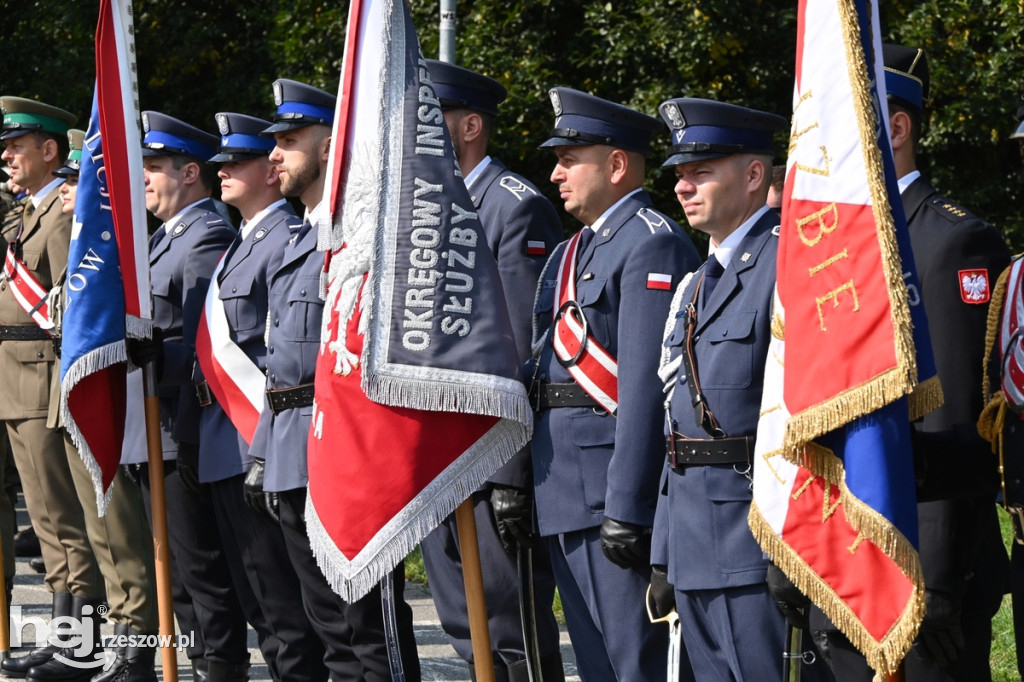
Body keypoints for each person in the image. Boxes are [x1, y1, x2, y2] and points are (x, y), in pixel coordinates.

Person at [807, 44, 1011, 682]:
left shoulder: (951, 240)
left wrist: (941, 579)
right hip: (837, 563)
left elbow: (957, 417)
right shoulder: (827, 244)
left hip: (917, 573)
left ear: (897, 128)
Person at [528, 87, 700, 681]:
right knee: (598, 666)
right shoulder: (574, 249)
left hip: (610, 496)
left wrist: (627, 506)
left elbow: (648, 390)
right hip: (565, 491)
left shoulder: (652, 241)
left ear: (617, 164)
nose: (555, 174)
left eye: (568, 159)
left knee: (636, 667)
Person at [251, 77, 421, 681]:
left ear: (330, 146)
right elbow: (282, 360)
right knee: (329, 634)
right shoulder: (299, 240)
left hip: (348, 460)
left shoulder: (364, 236)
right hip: (295, 452)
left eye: (289, 141)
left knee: (371, 634)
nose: (274, 155)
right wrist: (265, 455)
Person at [415, 59, 565, 682]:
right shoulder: (424, 214)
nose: (420, 131)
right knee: (461, 628)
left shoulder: (513, 209)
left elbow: (519, 352)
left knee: (510, 633)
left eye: (434, 117)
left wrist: (509, 472)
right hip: (434, 459)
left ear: (470, 125)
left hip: (486, 458)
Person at [650, 96, 796, 681]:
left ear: (754, 174)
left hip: (754, 548)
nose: (684, 187)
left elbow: (804, 420)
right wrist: (664, 551)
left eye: (701, 171)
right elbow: (677, 428)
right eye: (680, 175)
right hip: (692, 546)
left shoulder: (786, 266)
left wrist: (791, 555)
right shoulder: (693, 285)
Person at [193, 109, 329, 682]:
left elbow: (284, 351)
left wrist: (262, 447)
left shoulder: (286, 239)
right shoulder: (246, 242)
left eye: (237, 161)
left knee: (286, 610)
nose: (223, 171)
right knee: (260, 601)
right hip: (229, 432)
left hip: (259, 434)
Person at [127, 111, 249, 681]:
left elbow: (209, 348)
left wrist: (156, 354)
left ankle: (218, 668)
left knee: (201, 572)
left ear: (191, 172)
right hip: (156, 426)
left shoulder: (206, 237)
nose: (144, 178)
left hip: (183, 428)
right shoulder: (163, 240)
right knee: (173, 572)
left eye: (153, 167)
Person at [49, 127, 161, 682]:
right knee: (94, 529)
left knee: (116, 530)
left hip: (115, 401)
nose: (70, 190)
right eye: (69, 181)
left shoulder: (106, 249)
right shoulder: (80, 247)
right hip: (69, 393)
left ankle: (134, 640)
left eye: (78, 180)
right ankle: (107, 640)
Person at [0, 96, 106, 682]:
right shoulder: (25, 214)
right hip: (14, 379)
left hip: (42, 379)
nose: (7, 156)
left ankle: (81, 647)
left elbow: (72, 309)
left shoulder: (63, 217)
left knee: (63, 524)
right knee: (45, 522)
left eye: (16, 146)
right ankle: (67, 640)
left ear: (51, 151)